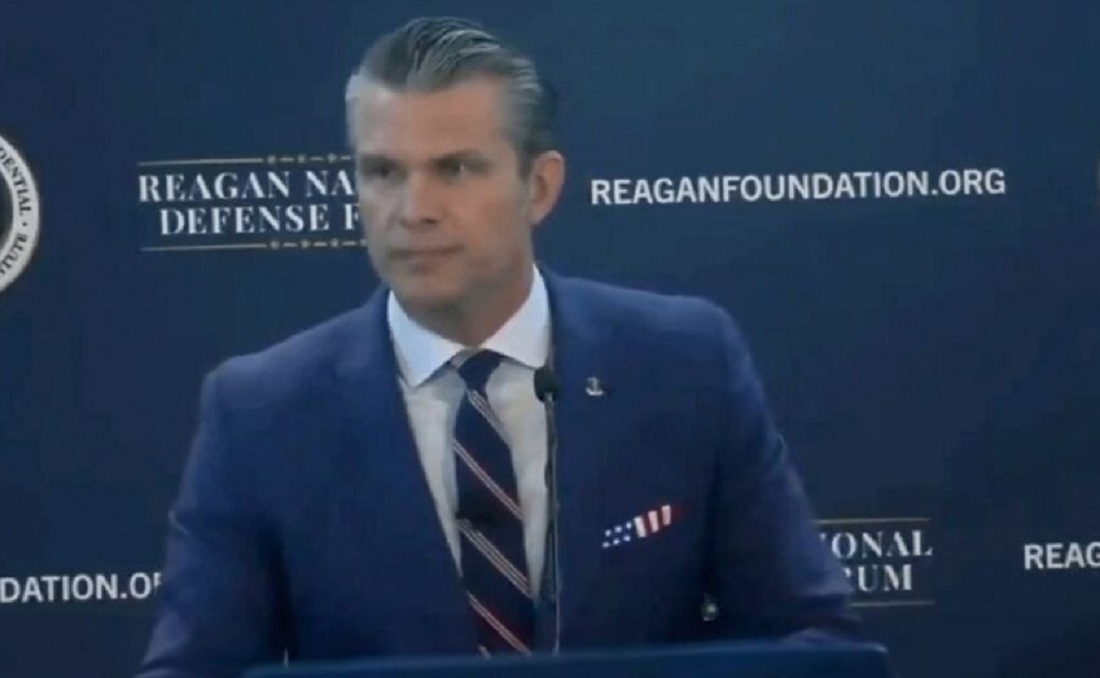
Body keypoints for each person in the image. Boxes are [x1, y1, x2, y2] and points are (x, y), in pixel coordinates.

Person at [137, 16, 859, 678]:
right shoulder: (262, 413)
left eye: (454, 169)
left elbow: (812, 638)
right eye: (383, 172)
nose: (413, 210)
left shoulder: (684, 365)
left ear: (539, 187)